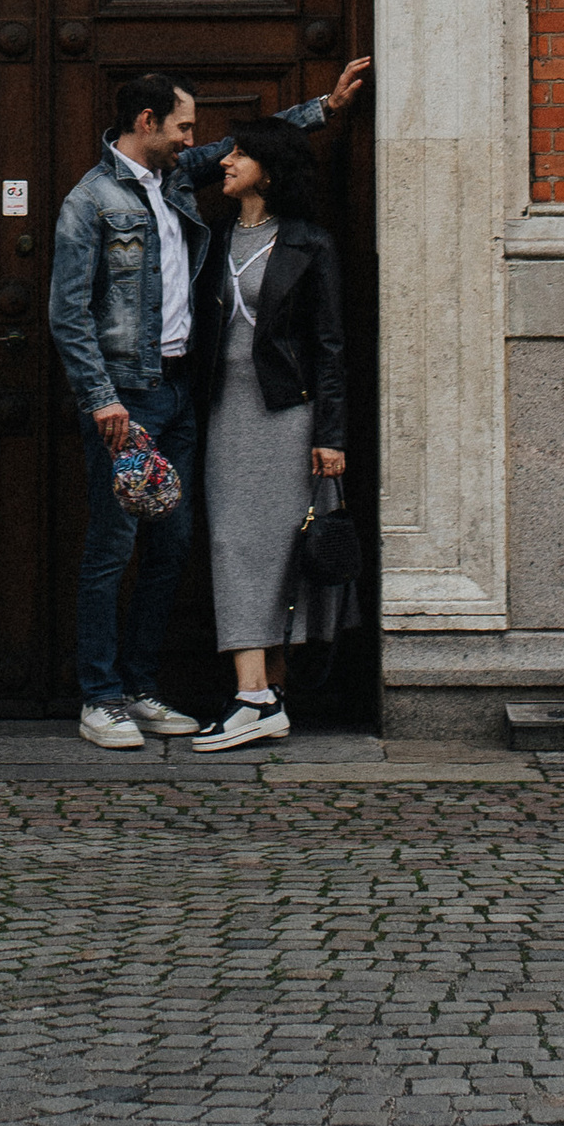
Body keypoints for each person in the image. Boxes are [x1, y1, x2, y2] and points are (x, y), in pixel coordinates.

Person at [47, 58, 369, 751]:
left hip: (180, 392)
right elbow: (67, 313)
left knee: (174, 544)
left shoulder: (171, 179)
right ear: (147, 123)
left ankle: (139, 685)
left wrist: (325, 108)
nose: (200, 140)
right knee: (112, 545)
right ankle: (100, 696)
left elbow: (251, 148)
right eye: (184, 126)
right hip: (126, 403)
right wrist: (102, 399)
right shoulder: (90, 201)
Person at [187, 122, 351, 753]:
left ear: (271, 170)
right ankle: (260, 697)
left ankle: (260, 696)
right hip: (226, 416)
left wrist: (332, 435)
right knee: (233, 546)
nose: (226, 162)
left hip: (288, 419)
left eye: (241, 153)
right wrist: (323, 106)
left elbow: (330, 347)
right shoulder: (213, 236)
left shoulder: (310, 243)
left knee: (279, 552)